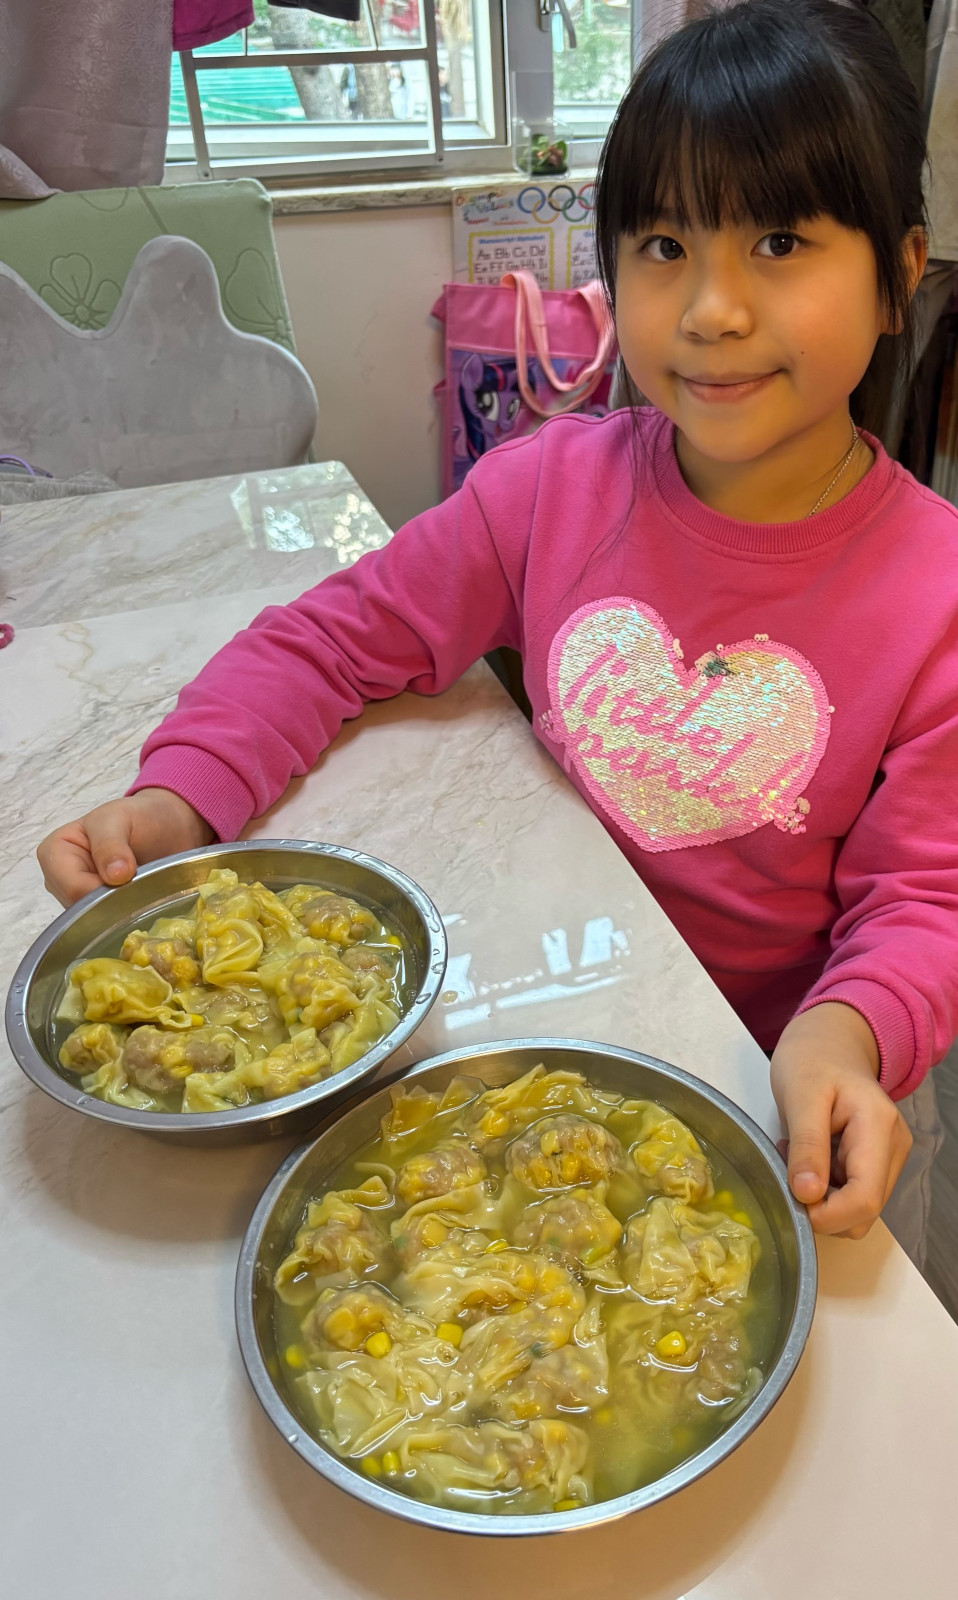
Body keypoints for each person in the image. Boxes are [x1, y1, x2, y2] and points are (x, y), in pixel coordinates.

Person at [38, 0, 955, 1261]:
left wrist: (847, 1032)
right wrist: (183, 793)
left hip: (775, 1079)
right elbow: (334, 638)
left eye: (781, 242)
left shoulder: (936, 595)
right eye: (664, 244)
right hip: (546, 1007)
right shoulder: (545, 490)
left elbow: (927, 898)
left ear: (900, 274)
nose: (711, 308)